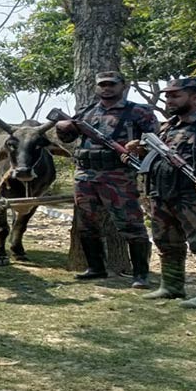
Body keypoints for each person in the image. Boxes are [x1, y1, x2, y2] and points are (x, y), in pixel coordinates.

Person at [128, 77, 196, 309]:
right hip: (162, 192)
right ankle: (172, 286)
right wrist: (137, 151)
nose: (169, 99)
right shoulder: (168, 127)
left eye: (175, 95)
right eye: (167, 95)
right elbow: (156, 156)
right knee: (167, 241)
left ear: (195, 97)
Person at [54, 71, 158, 288]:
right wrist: (62, 129)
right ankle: (95, 268)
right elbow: (69, 137)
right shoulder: (86, 112)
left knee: (131, 225)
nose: (106, 88)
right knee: (86, 224)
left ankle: (140, 274)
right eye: (102, 84)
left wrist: (137, 146)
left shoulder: (139, 112)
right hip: (85, 175)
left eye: (111, 84)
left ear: (123, 86)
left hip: (119, 177)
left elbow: (155, 142)